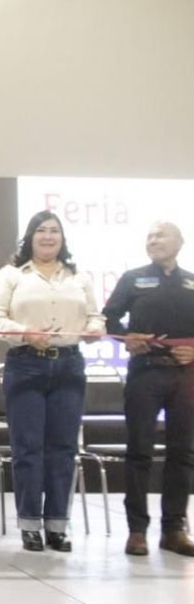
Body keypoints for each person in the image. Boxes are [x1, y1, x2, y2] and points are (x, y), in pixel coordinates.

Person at [0, 210, 104, 552]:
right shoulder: (11, 275)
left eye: (54, 231)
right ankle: (29, 525)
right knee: (28, 448)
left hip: (69, 366)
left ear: (62, 238)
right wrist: (25, 333)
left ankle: (57, 525)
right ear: (30, 237)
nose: (48, 236)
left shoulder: (78, 276)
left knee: (63, 448)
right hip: (26, 365)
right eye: (41, 230)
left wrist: (94, 329)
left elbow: (95, 316)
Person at [102, 221, 194, 557]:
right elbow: (108, 319)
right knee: (139, 450)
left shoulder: (191, 281)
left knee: (182, 453)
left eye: (161, 236)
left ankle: (174, 529)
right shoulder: (133, 279)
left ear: (179, 242)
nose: (153, 241)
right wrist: (126, 337)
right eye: (150, 236)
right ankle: (137, 530)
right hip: (145, 373)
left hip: (185, 377)